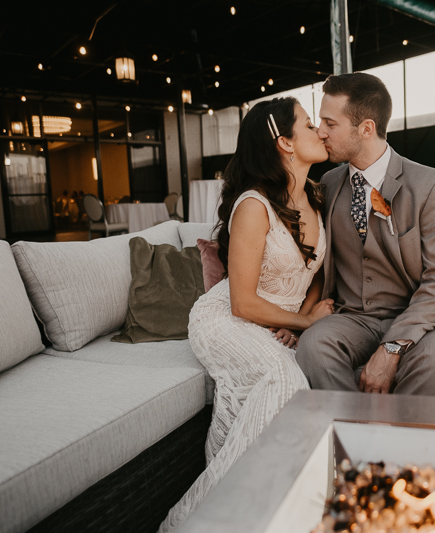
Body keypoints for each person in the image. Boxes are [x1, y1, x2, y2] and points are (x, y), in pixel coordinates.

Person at [159, 97, 333, 531]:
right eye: (310, 125)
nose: (321, 131)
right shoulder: (254, 205)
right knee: (286, 379)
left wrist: (304, 314)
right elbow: (242, 302)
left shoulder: (315, 196)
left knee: (263, 397)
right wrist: (305, 324)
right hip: (224, 321)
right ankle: (193, 519)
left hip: (275, 325)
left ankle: (263, 508)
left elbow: (314, 275)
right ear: (285, 144)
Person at [295, 72, 435, 396]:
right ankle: (354, 439)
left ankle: (402, 444)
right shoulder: (329, 184)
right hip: (352, 319)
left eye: (330, 123)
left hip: (419, 319)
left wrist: (392, 348)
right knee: (313, 346)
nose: (320, 132)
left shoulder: (430, 185)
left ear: (366, 128)